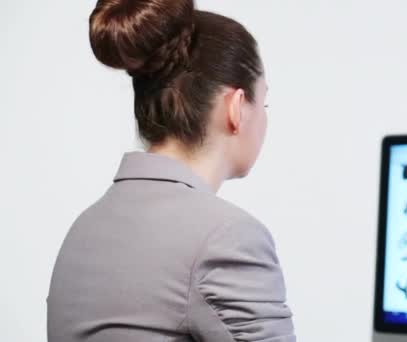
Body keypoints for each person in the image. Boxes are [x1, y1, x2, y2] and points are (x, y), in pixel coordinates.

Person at [47, 2, 295, 341]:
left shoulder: (83, 230)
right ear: (235, 107)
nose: (265, 117)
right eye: (263, 103)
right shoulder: (229, 238)